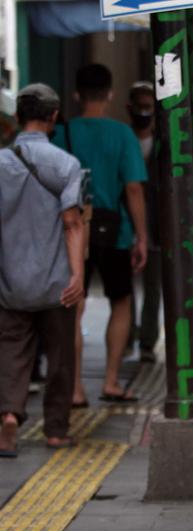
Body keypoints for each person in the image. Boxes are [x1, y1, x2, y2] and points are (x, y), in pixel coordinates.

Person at [53, 63, 149, 405]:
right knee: (120, 302)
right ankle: (110, 381)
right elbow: (134, 189)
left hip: (71, 232)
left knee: (73, 307)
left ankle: (76, 388)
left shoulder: (61, 133)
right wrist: (141, 236)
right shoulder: (122, 135)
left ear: (77, 95)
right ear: (109, 94)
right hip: (115, 232)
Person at [0, 84, 86, 456]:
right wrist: (78, 275)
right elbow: (71, 223)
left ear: (17, 117)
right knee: (61, 355)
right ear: (53, 117)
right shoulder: (66, 165)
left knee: (11, 352)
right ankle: (55, 430)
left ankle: (9, 415)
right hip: (56, 283)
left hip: (9, 281)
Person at [128, 82, 161, 363]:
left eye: (148, 107)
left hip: (157, 227)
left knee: (153, 288)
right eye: (139, 106)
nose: (143, 112)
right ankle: (126, 337)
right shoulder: (123, 139)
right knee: (124, 290)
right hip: (124, 225)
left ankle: (147, 342)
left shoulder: (165, 145)